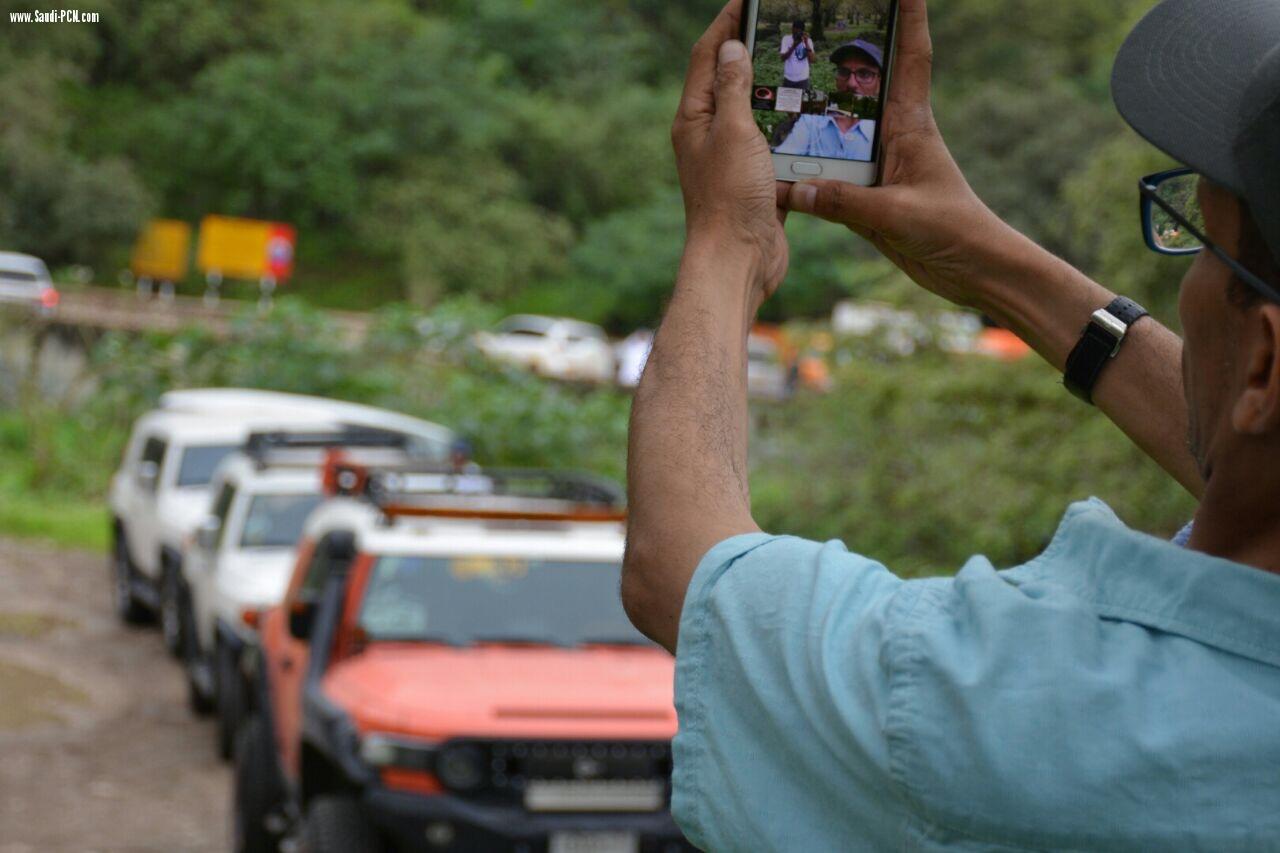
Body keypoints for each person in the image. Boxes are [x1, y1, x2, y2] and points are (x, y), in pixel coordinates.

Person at [623, 0, 1280, 848]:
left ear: (1263, 364)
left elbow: (681, 567)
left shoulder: (1010, 709)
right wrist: (986, 260)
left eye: (1200, 238)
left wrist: (727, 241)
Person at [774, 38, 883, 160]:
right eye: (843, 72)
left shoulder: (886, 127)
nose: (851, 84)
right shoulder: (813, 115)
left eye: (865, 74)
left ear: (880, 82)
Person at [779, 19, 814, 90]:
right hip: (788, 77)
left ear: (803, 32)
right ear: (792, 29)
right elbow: (782, 58)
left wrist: (806, 43)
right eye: (794, 32)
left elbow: (812, 60)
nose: (796, 35)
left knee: (801, 100)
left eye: (799, 32)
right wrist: (793, 46)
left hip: (803, 78)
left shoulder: (808, 41)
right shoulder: (786, 39)